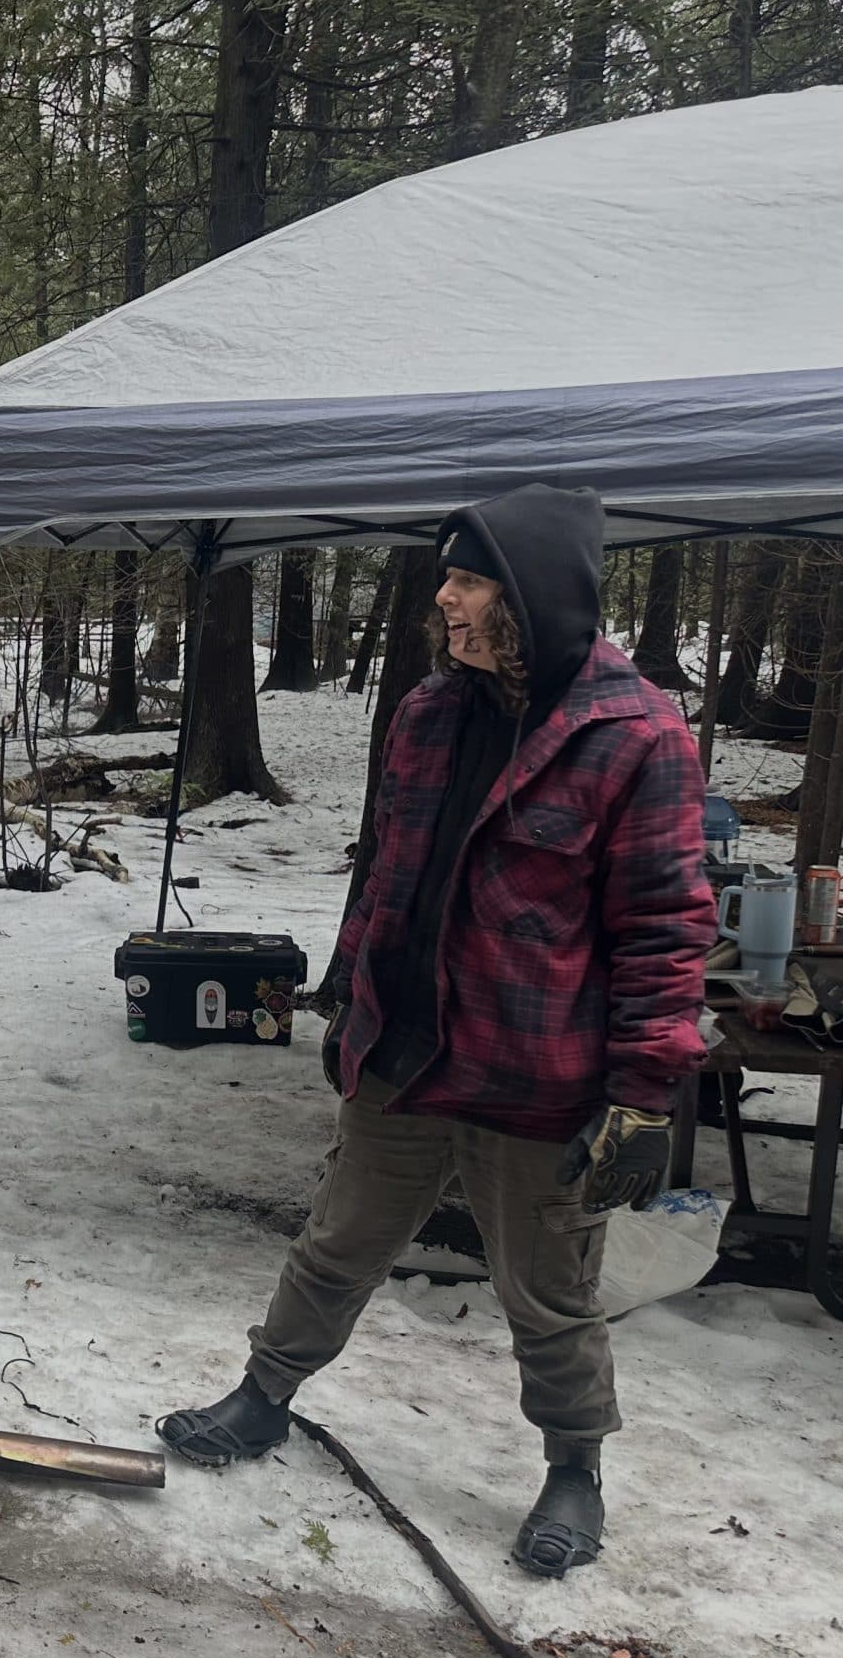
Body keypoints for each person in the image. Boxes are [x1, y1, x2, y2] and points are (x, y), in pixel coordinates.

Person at [157, 485, 714, 1576]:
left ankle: (573, 1468)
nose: (445, 599)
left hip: (535, 1075)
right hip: (404, 1057)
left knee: (547, 1295)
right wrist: (350, 999)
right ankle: (264, 1394)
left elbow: (664, 927)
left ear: (530, 593)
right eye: (447, 578)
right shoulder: (428, 711)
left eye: (466, 580)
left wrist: (643, 1093)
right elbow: (387, 874)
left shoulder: (636, 735)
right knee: (335, 1243)